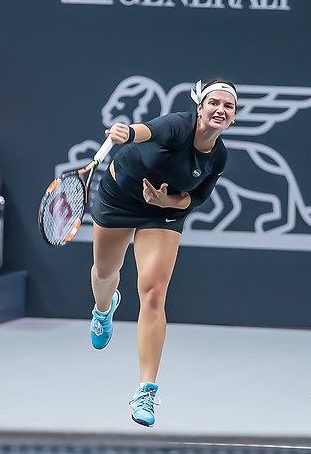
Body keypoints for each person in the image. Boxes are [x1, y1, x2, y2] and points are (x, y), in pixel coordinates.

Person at [88, 78, 236, 426]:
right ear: (200, 107)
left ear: (233, 116)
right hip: (120, 197)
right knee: (105, 273)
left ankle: (146, 391)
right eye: (214, 103)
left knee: (154, 294)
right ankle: (103, 308)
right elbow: (145, 131)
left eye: (228, 106)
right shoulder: (176, 126)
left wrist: (166, 201)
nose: (220, 110)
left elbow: (194, 198)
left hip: (164, 212)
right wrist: (126, 133)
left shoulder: (219, 156)